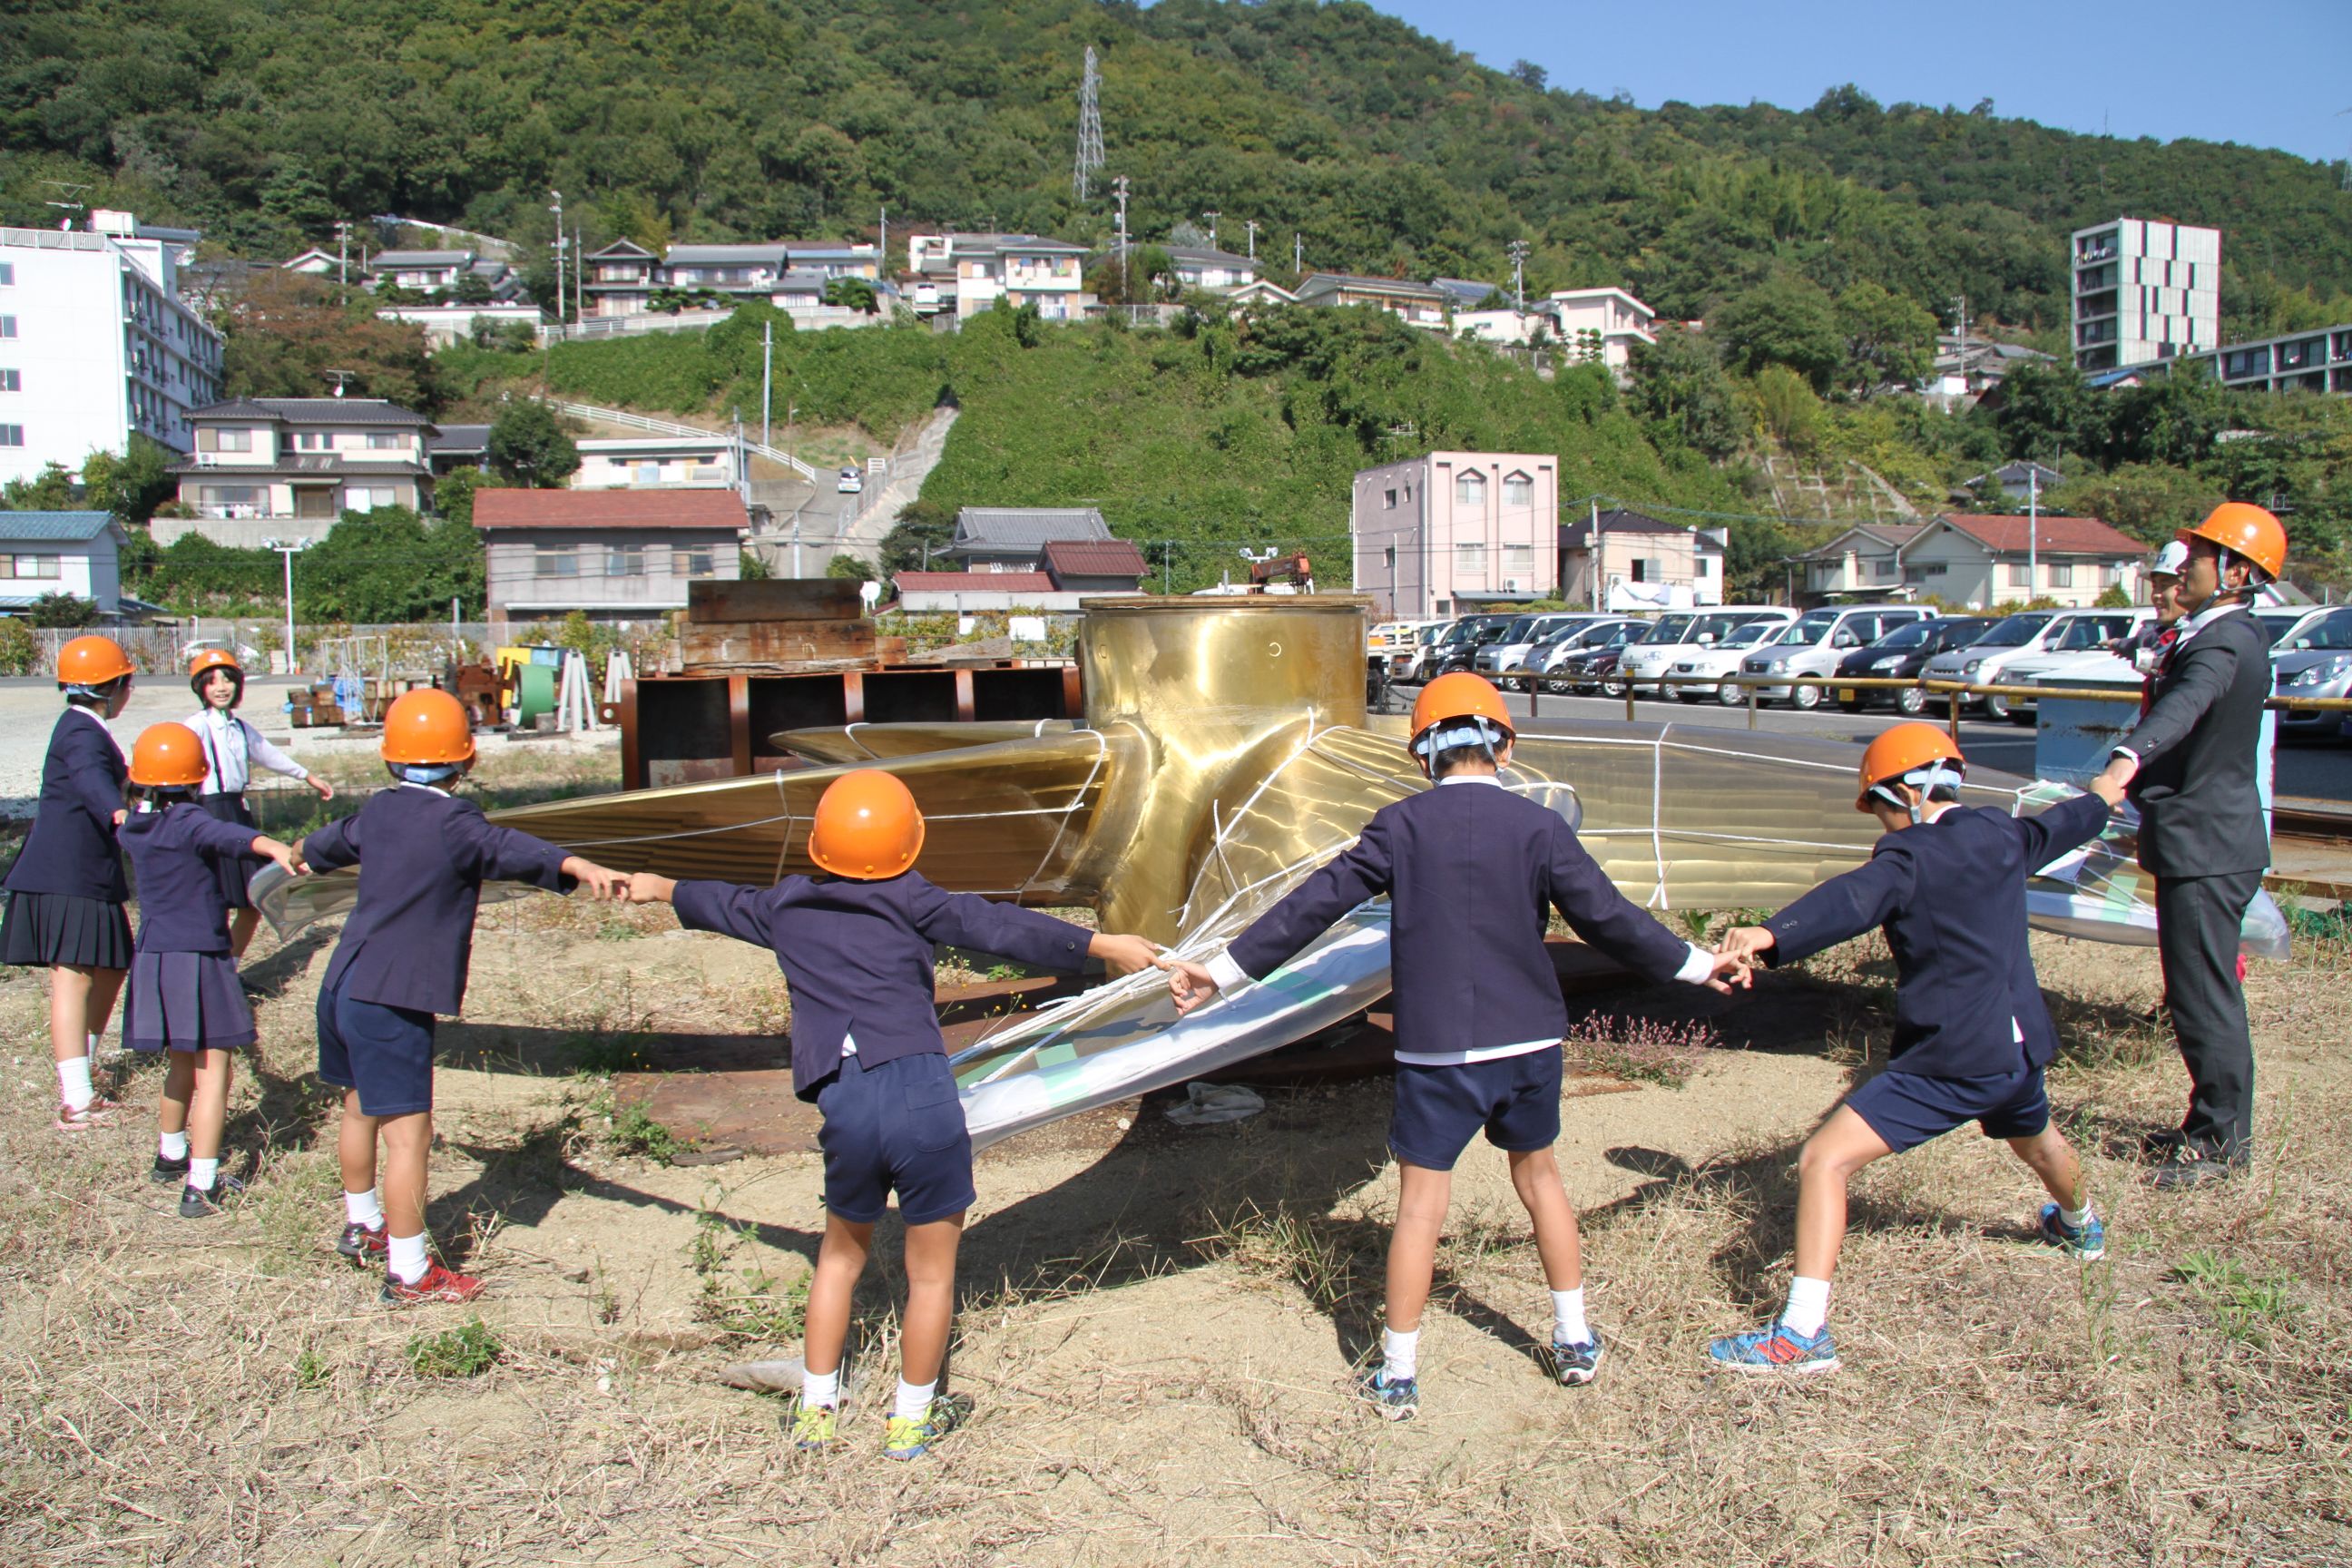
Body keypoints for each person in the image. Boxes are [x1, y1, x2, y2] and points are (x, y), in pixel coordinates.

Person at [1158, 673, 1748, 1419]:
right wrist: (1698, 964)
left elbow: (1313, 903)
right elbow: (1611, 918)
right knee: (1540, 1180)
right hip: (1530, 1039)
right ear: (1505, 745)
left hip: (1437, 1050)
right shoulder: (1540, 828)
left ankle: (1399, 1372)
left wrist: (1220, 971)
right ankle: (1573, 1339)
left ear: (1422, 757)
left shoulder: (1398, 826)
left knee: (1420, 1207)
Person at [620, 769, 1160, 1461]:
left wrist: (658, 886)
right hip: (923, 1099)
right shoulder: (914, 900)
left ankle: (816, 1414)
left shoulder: (785, 906)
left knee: (839, 1262)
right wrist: (1108, 945)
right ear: (911, 842)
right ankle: (910, 1424)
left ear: (817, 842)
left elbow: (722, 901)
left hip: (846, 1102)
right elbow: (1001, 925)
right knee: (930, 1275)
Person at [1704, 725, 2123, 1375]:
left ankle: (1799, 1335)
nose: (1878, 818)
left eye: (1875, 804)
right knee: (2037, 1141)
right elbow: (2069, 822)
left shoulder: (1906, 858)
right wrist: (2103, 794)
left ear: (1903, 792)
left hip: (1957, 1056)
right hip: (2019, 1046)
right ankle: (2080, 1224)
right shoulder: (2002, 833)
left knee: (1823, 1161)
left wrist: (1769, 932)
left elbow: (1851, 899)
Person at [297, 689, 622, 1302]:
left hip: (343, 980)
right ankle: (411, 1272)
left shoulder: (377, 812)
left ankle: (362, 1223)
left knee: (358, 1107)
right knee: (409, 1137)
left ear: (387, 757)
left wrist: (296, 853)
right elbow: (510, 850)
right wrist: (577, 865)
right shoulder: (455, 821)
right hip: (391, 996)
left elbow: (320, 847)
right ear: (466, 760)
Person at [2092, 504, 2287, 1189]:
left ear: (2234, 573)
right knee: (2197, 990)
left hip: (2208, 844)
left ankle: (2220, 1145)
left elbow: (2184, 708)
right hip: (2202, 841)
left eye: (2199, 557)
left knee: (2204, 996)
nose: (2184, 567)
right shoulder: (2209, 632)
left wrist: (2124, 762)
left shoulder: (2225, 642)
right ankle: (2208, 1123)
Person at [117, 722, 304, 1215]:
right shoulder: (189, 822)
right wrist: (278, 848)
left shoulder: (136, 828)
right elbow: (234, 837)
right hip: (198, 956)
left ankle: (170, 1154)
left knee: (181, 1061)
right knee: (213, 1067)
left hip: (155, 956)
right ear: (199, 777)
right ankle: (202, 1184)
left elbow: (131, 811)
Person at [2, 635, 138, 1131]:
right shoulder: (82, 733)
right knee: (74, 979)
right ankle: (77, 1099)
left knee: (112, 964)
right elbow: (91, 780)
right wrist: (120, 810)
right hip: (67, 875)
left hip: (86, 873)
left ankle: (82, 1064)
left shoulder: (83, 724)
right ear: (115, 686)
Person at [186, 649, 333, 957]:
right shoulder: (197, 725)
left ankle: (230, 967)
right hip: (210, 812)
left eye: (227, 680)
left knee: (250, 902)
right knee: (216, 900)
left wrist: (308, 776)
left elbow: (267, 753)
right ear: (201, 688)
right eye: (212, 682)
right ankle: (211, 969)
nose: (221, 687)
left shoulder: (239, 727)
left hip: (238, 813)